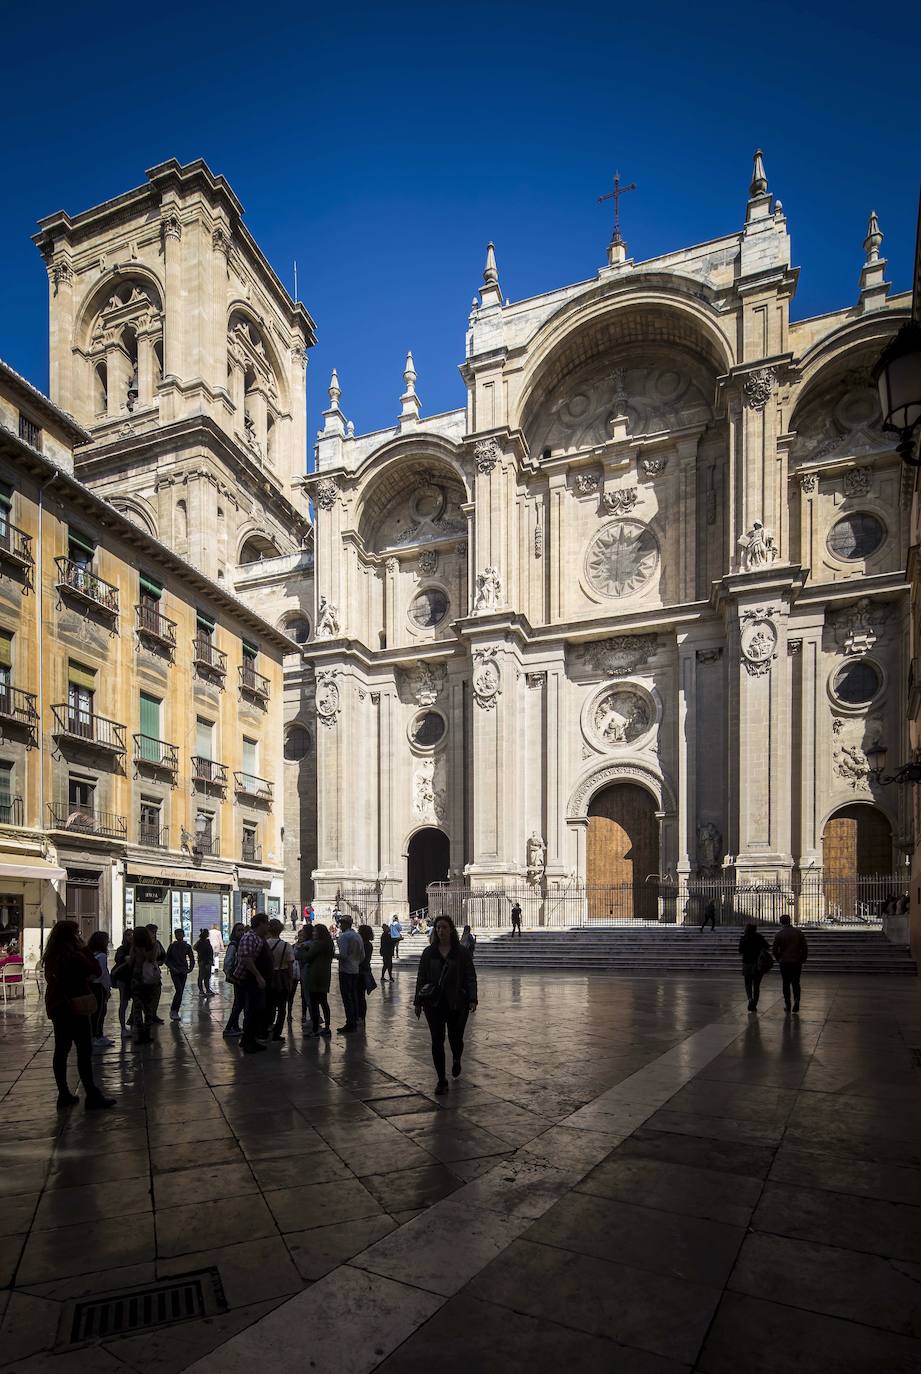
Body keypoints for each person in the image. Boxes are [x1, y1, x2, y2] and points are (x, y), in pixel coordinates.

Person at [40, 920, 115, 1110]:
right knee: (84, 1050)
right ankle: (91, 1094)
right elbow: (95, 970)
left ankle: (63, 1092)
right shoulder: (76, 955)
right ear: (72, 935)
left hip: (58, 1005)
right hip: (76, 1005)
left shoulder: (52, 955)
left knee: (61, 1050)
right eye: (77, 932)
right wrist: (84, 948)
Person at [414, 914, 478, 1095]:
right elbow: (421, 978)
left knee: (456, 1038)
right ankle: (441, 1079)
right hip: (434, 1003)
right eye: (438, 928)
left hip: (457, 1002)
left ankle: (456, 1058)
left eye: (444, 927)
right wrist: (417, 1002)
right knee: (437, 1041)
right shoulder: (429, 953)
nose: (440, 930)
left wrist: (472, 998)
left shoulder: (461, 952)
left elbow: (470, 976)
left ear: (451, 930)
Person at [236, 912, 271, 1052]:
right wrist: (258, 976)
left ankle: (251, 1039)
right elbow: (246, 958)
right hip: (250, 979)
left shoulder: (258, 938)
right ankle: (247, 1041)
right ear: (261, 924)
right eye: (266, 923)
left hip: (257, 979)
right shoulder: (249, 937)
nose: (268, 926)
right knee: (252, 1010)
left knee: (258, 1010)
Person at [128, 926, 161, 1044]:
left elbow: (131, 962)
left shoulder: (135, 947)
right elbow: (153, 959)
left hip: (137, 978)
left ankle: (141, 1034)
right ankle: (147, 1033)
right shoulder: (154, 945)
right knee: (148, 1007)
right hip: (149, 978)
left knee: (137, 1007)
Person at [302, 922, 334, 1037]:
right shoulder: (329, 943)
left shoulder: (318, 944)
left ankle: (315, 1029)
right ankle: (327, 1027)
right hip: (325, 975)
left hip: (315, 975)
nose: (313, 933)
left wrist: (302, 950)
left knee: (314, 1003)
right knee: (324, 1002)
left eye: (315, 931)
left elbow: (307, 957)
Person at [772, 914, 808, 1014]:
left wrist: (779, 958)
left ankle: (788, 1004)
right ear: (789, 921)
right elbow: (804, 947)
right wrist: (803, 958)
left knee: (786, 983)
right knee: (796, 982)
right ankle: (797, 1001)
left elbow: (774, 950)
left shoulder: (779, 934)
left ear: (781, 922)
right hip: (796, 961)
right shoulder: (798, 932)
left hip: (784, 962)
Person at [266, 917, 294, 1041]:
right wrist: (290, 980)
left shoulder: (265, 944)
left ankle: (267, 1028)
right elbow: (290, 966)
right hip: (281, 977)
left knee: (269, 1005)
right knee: (282, 1007)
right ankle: (277, 1033)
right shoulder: (286, 946)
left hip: (268, 976)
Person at [336, 914, 365, 1034]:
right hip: (355, 969)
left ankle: (350, 1023)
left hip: (346, 970)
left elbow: (343, 955)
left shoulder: (344, 937)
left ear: (344, 924)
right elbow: (362, 956)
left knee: (347, 997)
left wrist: (332, 955)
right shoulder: (357, 936)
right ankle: (355, 1020)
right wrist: (355, 962)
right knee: (354, 996)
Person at [87, 930, 114, 1048]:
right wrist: (107, 989)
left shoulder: (91, 954)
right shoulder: (101, 956)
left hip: (91, 986)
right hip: (99, 987)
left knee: (94, 1012)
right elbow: (103, 974)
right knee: (100, 1012)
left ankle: (95, 1035)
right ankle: (97, 1036)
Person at [738, 921, 770, 1012]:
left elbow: (740, 950)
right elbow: (767, 946)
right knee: (756, 985)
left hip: (747, 963)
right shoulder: (759, 937)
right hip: (757, 964)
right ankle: (754, 1004)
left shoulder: (744, 938)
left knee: (747, 984)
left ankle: (750, 999)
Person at [165, 927, 195, 1020]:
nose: (179, 936)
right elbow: (167, 959)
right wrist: (172, 967)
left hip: (183, 970)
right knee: (179, 989)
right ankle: (174, 1010)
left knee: (181, 991)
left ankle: (175, 1010)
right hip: (175, 971)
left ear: (183, 935)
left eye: (181, 934)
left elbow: (191, 958)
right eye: (177, 935)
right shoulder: (172, 946)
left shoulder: (187, 946)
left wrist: (190, 968)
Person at [222, 923, 246, 1037]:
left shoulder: (241, 944)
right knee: (239, 1003)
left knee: (238, 1002)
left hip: (240, 976)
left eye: (243, 930)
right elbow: (227, 961)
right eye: (239, 930)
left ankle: (235, 1026)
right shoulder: (233, 945)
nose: (241, 933)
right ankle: (228, 1028)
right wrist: (230, 975)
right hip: (237, 977)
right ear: (234, 932)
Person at [111, 929, 134, 1037]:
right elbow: (118, 958)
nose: (130, 936)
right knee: (123, 1002)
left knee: (137, 1002)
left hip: (134, 978)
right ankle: (123, 1028)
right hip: (124, 978)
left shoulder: (136, 948)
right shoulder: (122, 949)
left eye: (132, 934)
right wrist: (126, 958)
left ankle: (133, 1021)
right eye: (128, 935)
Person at [145, 924, 167, 1023]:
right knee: (144, 997)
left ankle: (153, 1015)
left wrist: (160, 962)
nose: (154, 934)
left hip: (154, 972)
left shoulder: (157, 943)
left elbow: (163, 955)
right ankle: (137, 1018)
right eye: (152, 932)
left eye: (155, 932)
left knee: (156, 994)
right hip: (144, 973)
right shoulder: (142, 944)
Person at [356, 924, 375, 1023]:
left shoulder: (364, 945)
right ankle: (361, 1016)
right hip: (365, 970)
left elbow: (361, 958)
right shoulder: (368, 944)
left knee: (359, 995)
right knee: (360, 995)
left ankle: (361, 1016)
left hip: (361, 971)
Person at [194, 928, 214, 997]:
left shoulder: (200, 942)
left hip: (202, 961)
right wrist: (210, 961)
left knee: (203, 976)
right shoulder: (205, 942)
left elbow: (195, 948)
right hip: (205, 961)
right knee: (205, 976)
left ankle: (204, 990)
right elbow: (209, 952)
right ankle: (204, 990)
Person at [208, 924, 224, 993]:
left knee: (212, 957)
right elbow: (220, 939)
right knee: (216, 956)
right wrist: (222, 946)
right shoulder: (218, 932)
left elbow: (208, 938)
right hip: (217, 944)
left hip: (211, 945)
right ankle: (216, 968)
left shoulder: (210, 932)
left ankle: (212, 970)